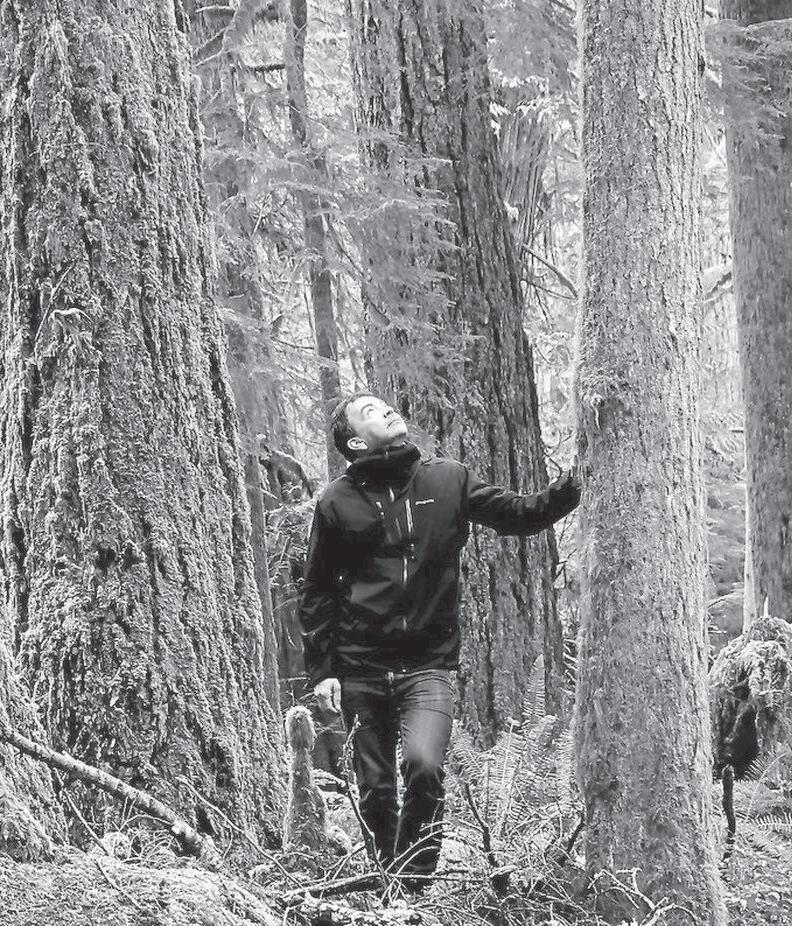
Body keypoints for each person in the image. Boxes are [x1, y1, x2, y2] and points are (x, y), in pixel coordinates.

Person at [299, 392, 581, 884]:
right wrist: (323, 670)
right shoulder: (335, 502)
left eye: (384, 404)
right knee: (376, 790)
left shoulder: (447, 479)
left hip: (427, 666)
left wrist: (574, 484)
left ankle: (415, 883)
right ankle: (388, 881)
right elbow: (317, 590)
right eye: (369, 412)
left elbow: (519, 513)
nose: (387, 410)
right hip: (360, 667)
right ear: (354, 441)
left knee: (424, 768)